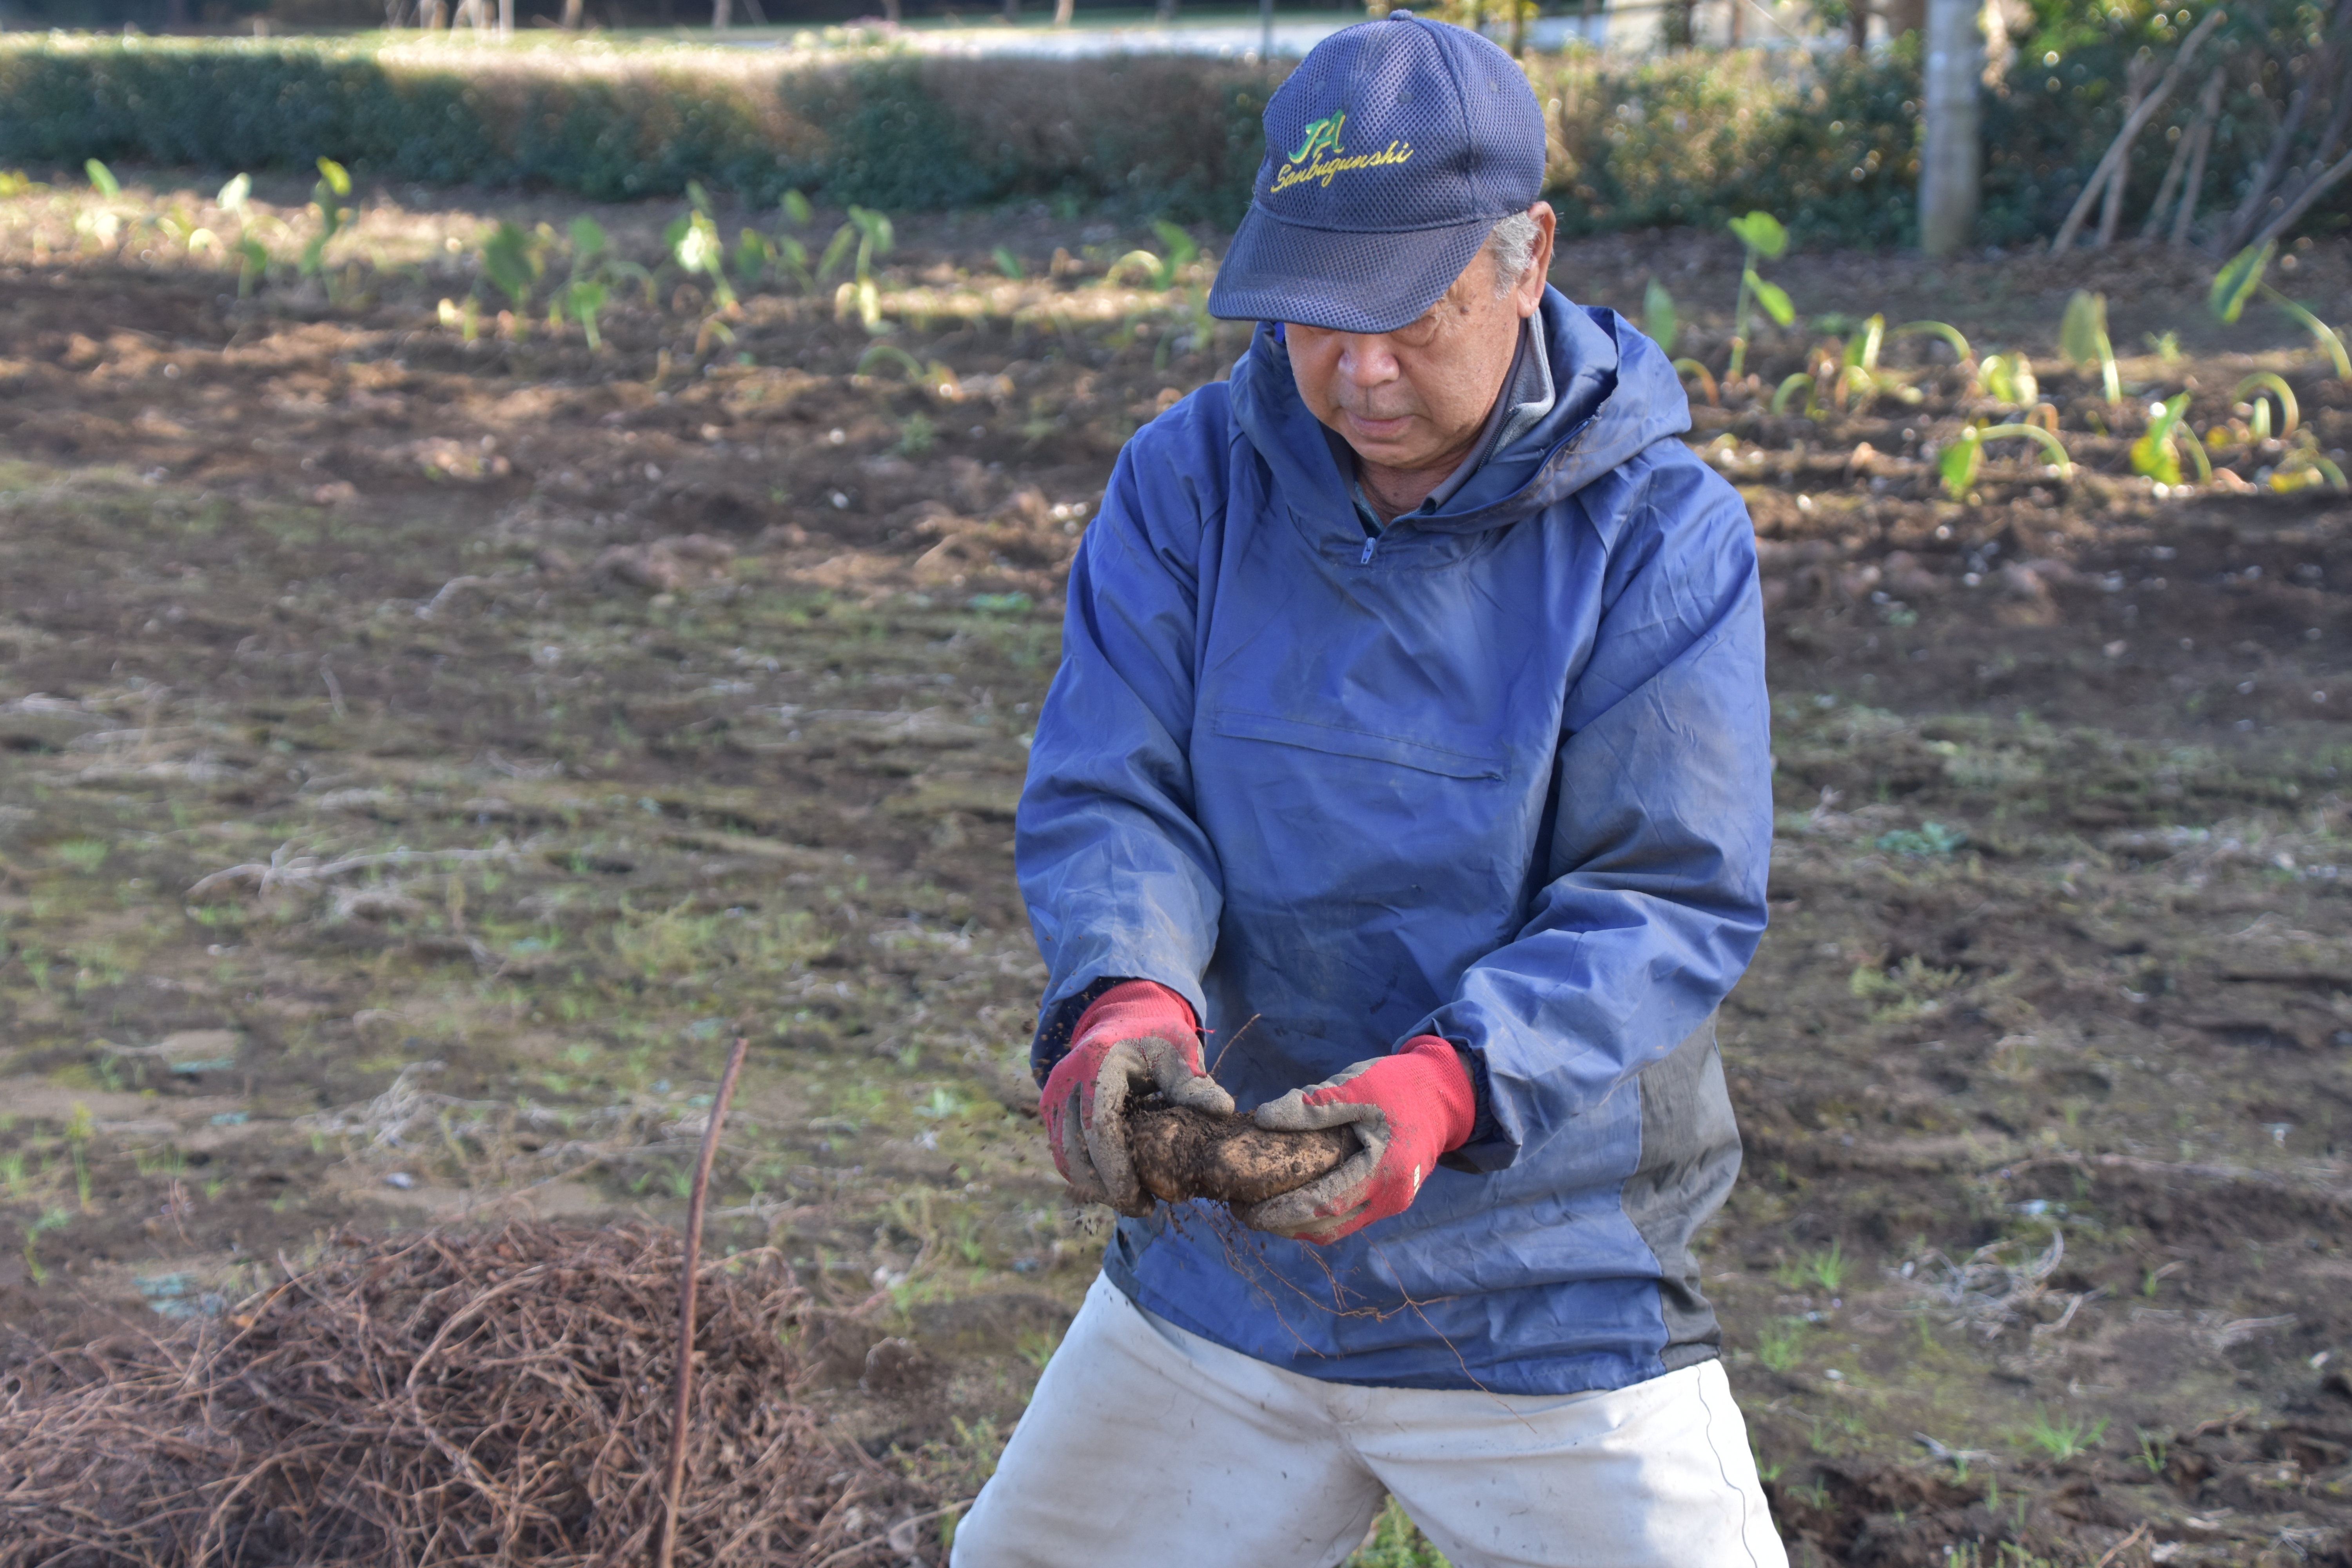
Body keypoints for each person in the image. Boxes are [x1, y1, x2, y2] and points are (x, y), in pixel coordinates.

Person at [952, 13, 1786, 1566]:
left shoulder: (1661, 534)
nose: (1360, 370)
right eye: (1317, 317)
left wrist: (1448, 1083)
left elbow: (1661, 890)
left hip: (1541, 1273)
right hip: (1227, 1263)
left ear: (1526, 256)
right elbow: (1115, 791)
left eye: (1408, 314)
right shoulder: (1187, 479)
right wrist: (1127, 998)